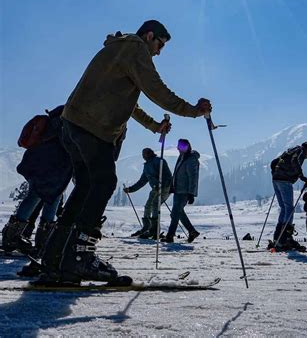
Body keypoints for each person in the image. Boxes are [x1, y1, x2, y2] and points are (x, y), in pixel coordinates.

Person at [40, 19, 211, 285]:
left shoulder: (118, 49)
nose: (159, 51)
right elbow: (156, 89)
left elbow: (130, 105)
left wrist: (155, 126)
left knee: (86, 185)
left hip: (73, 124)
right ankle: (79, 257)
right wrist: (192, 110)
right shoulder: (135, 48)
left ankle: (55, 256)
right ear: (150, 35)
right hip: (93, 127)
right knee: (104, 182)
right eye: (160, 44)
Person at [2, 105, 72, 261]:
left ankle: (11, 237)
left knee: (35, 196)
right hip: (55, 169)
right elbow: (69, 147)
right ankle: (43, 242)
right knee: (51, 199)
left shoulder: (52, 121)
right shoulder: (68, 123)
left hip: (37, 164)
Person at [269, 142, 307, 251]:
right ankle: (285, 238)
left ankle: (277, 238)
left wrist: (276, 174)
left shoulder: (290, 150)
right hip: (285, 181)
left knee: (284, 208)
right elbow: (295, 162)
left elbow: (273, 163)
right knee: (289, 209)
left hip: (276, 179)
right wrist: (302, 176)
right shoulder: (301, 151)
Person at [123, 148, 172, 239]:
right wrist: (130, 189)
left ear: (149, 153)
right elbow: (142, 181)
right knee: (148, 206)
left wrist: (162, 186)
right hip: (155, 188)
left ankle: (154, 230)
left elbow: (167, 176)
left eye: (144, 154)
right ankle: (147, 227)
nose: (143, 156)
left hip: (164, 187)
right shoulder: (147, 166)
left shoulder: (159, 161)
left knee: (154, 205)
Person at [162, 139, 200, 243]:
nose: (180, 149)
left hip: (184, 191)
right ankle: (192, 231)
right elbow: (177, 173)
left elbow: (193, 177)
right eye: (179, 146)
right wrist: (172, 186)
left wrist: (191, 193)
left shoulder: (191, 159)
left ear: (188, 147)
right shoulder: (182, 157)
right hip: (178, 190)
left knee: (175, 213)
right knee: (178, 213)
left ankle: (170, 236)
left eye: (182, 147)